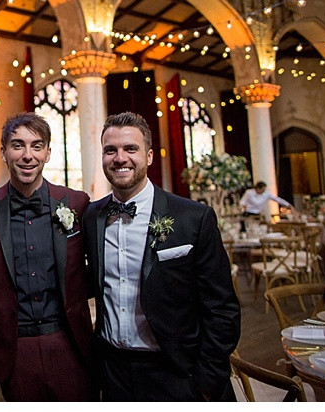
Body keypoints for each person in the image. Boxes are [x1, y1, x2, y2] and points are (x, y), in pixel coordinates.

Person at [82, 112, 240, 401]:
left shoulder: (194, 217)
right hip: (113, 371)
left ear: (149, 156)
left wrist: (206, 381)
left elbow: (222, 308)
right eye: (110, 150)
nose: (120, 158)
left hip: (176, 372)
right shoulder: (92, 216)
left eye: (131, 149)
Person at [0, 113, 94, 401]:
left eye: (36, 146)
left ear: (48, 153)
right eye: (18, 145)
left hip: (69, 343)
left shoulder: (76, 203)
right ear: (3, 152)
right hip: (15, 350)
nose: (28, 155)